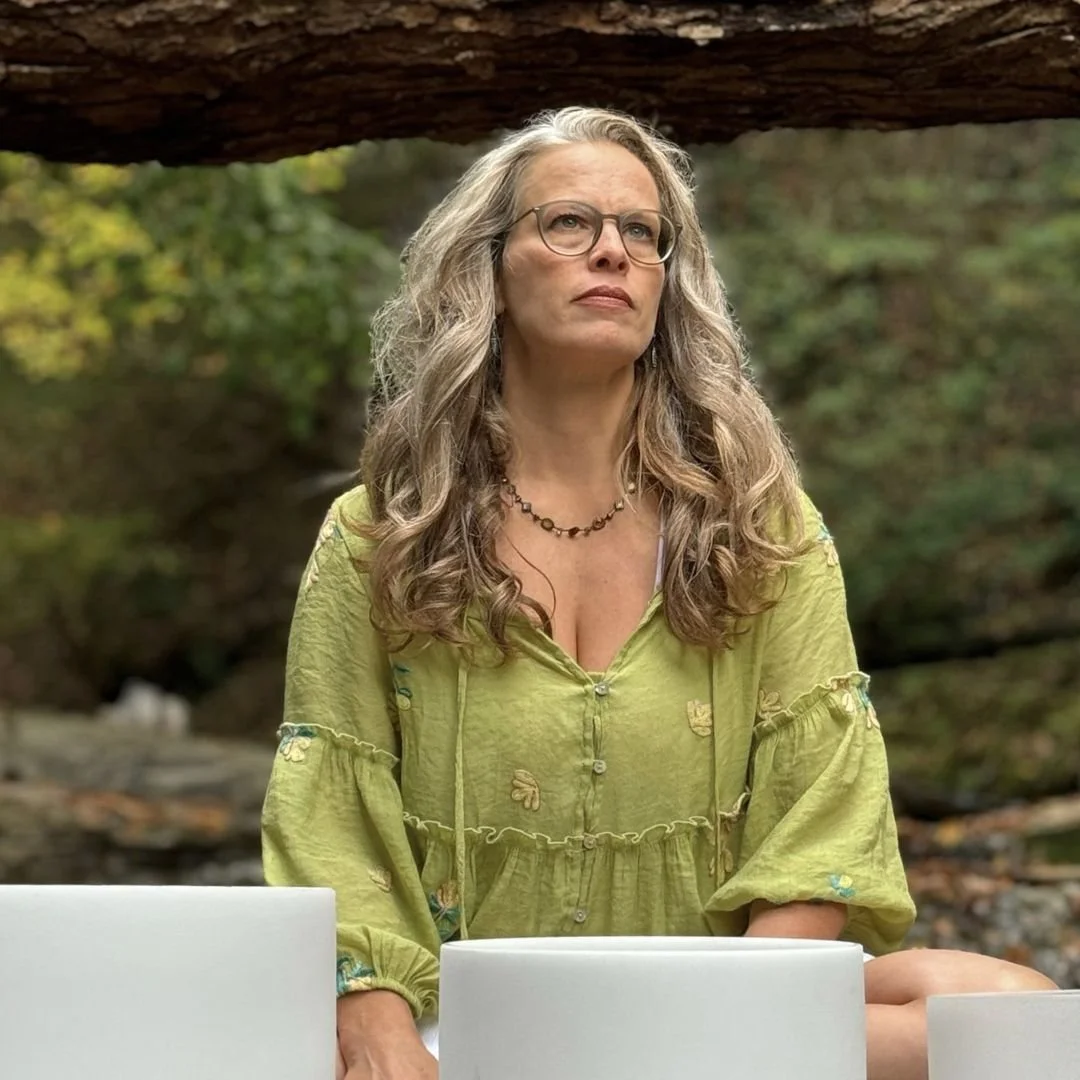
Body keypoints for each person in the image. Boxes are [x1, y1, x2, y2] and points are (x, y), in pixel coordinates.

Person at [261, 106, 1056, 1080]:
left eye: (643, 232)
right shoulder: (382, 532)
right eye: (570, 223)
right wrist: (374, 1024)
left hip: (706, 1013)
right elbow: (330, 823)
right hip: (464, 1021)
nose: (614, 251)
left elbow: (822, 810)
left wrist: (728, 1024)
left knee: (1015, 1016)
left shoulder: (758, 522)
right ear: (489, 269)